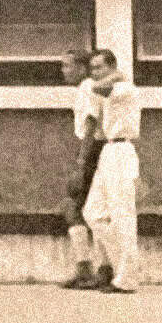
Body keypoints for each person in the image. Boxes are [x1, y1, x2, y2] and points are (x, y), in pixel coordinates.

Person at [80, 49, 141, 293]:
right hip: (108, 150)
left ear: (113, 68)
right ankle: (126, 268)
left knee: (122, 215)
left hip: (122, 149)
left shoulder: (125, 88)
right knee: (93, 212)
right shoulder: (111, 88)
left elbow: (96, 88)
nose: (95, 73)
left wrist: (117, 76)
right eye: (92, 68)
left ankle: (127, 277)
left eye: (99, 68)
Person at [59, 49, 110, 289]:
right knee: (89, 209)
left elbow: (91, 125)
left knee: (77, 207)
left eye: (68, 66)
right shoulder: (87, 88)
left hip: (93, 150)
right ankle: (97, 267)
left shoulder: (88, 88)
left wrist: (80, 163)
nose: (63, 70)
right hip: (91, 149)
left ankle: (93, 268)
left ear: (82, 68)